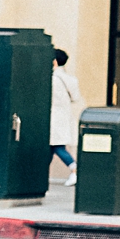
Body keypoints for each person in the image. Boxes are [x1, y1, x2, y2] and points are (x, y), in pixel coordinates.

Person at [50, 48, 82, 188]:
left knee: (56, 147)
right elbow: (76, 98)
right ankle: (40, 175)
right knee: (52, 147)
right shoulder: (71, 79)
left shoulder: (52, 79)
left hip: (52, 118)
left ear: (54, 62)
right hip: (65, 117)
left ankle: (74, 168)